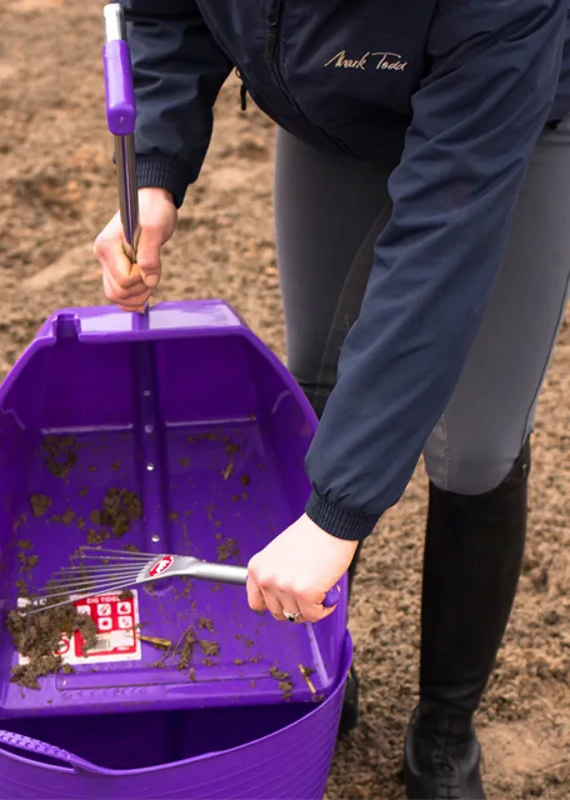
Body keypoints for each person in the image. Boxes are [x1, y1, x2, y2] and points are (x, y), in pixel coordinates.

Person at [92, 2, 570, 798]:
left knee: (477, 447)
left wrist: (337, 514)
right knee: (316, 386)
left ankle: (444, 726)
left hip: (504, 118)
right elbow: (168, 13)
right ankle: (317, 665)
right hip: (334, 111)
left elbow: (441, 247)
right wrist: (155, 171)